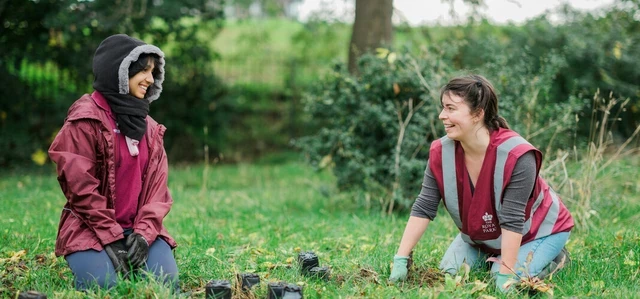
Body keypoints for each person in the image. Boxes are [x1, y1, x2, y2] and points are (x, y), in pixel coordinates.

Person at [388, 75, 574, 293]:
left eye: (450, 108)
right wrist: (401, 258)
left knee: (501, 278)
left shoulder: (519, 155)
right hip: (486, 235)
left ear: (478, 114)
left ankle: (555, 258)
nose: (441, 116)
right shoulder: (441, 153)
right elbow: (424, 207)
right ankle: (497, 255)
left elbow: (513, 220)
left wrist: (506, 274)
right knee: (450, 272)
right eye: (442, 108)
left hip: (538, 231)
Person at [48, 34, 179, 291]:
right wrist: (110, 236)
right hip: (91, 228)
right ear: (119, 71)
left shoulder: (150, 130)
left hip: (138, 229)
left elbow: (157, 192)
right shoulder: (86, 120)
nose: (150, 80)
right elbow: (80, 187)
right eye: (143, 71)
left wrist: (143, 234)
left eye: (153, 72)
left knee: (165, 283)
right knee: (102, 284)